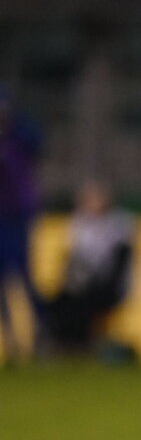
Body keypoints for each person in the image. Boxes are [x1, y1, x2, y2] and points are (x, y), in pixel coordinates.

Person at [45, 181, 135, 353]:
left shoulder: (120, 224)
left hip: (109, 286)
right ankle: (67, 344)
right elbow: (73, 260)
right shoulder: (80, 223)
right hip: (84, 284)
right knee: (60, 302)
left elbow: (119, 265)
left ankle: (83, 345)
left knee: (84, 304)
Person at [0, 86, 44, 362]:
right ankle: (10, 339)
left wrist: (13, 124)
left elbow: (38, 141)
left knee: (25, 278)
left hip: (18, 217)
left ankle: (40, 335)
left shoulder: (18, 137)